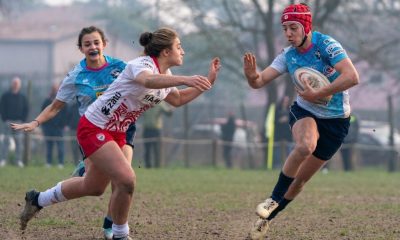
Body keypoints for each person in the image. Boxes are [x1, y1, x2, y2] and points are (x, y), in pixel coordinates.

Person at [13, 27, 221, 240]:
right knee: (127, 179)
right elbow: (148, 81)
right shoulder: (141, 65)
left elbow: (178, 100)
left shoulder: (166, 76)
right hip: (94, 127)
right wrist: (186, 79)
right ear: (166, 52)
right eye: (179, 46)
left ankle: (37, 200)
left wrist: (208, 82)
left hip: (118, 132)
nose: (183, 51)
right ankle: (120, 235)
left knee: (93, 187)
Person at [243, 3, 359, 239]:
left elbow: (352, 76)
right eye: (284, 28)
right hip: (305, 111)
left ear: (306, 26)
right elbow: (258, 82)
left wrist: (318, 93)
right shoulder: (288, 55)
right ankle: (273, 198)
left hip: (337, 122)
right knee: (306, 145)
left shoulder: (326, 45)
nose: (288, 33)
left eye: (293, 27)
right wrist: (250, 75)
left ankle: (267, 220)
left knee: (300, 182)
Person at [9, 26, 136, 240]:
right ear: (81, 49)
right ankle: (38, 199)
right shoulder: (76, 76)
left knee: (123, 179)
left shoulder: (120, 67)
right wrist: (36, 122)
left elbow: (142, 79)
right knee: (96, 188)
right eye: (87, 44)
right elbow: (56, 106)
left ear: (104, 44)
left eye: (96, 42)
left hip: (122, 127)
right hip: (93, 131)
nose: (93, 47)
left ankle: (112, 228)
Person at [0, 76, 29, 168]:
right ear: (12, 84)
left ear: (19, 85)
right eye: (14, 83)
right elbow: (2, 108)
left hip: (19, 123)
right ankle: (3, 160)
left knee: (19, 142)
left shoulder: (23, 97)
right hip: (8, 122)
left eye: (17, 83)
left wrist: (23, 120)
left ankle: (18, 160)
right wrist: (5, 119)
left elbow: (26, 109)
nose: (15, 85)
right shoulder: (5, 96)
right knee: (5, 142)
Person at [41, 82, 68, 168]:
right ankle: (48, 162)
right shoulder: (47, 101)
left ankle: (61, 163)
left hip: (59, 128)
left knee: (60, 146)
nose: (55, 90)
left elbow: (66, 114)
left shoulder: (62, 100)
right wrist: (44, 125)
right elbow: (43, 112)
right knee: (49, 146)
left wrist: (63, 125)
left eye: (56, 88)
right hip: (48, 127)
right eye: (53, 88)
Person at [142, 102, 172, 168]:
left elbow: (168, 113)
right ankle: (148, 166)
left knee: (157, 149)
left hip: (156, 130)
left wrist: (171, 110)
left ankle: (157, 166)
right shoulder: (144, 103)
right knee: (147, 150)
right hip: (147, 129)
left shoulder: (160, 104)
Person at [273, 95, 292, 168]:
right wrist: (280, 120)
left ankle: (290, 165)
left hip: (287, 132)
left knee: (289, 149)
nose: (285, 102)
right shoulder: (277, 110)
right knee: (277, 149)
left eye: (287, 101)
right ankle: (277, 165)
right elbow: (274, 121)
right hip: (279, 132)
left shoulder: (290, 110)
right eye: (284, 101)